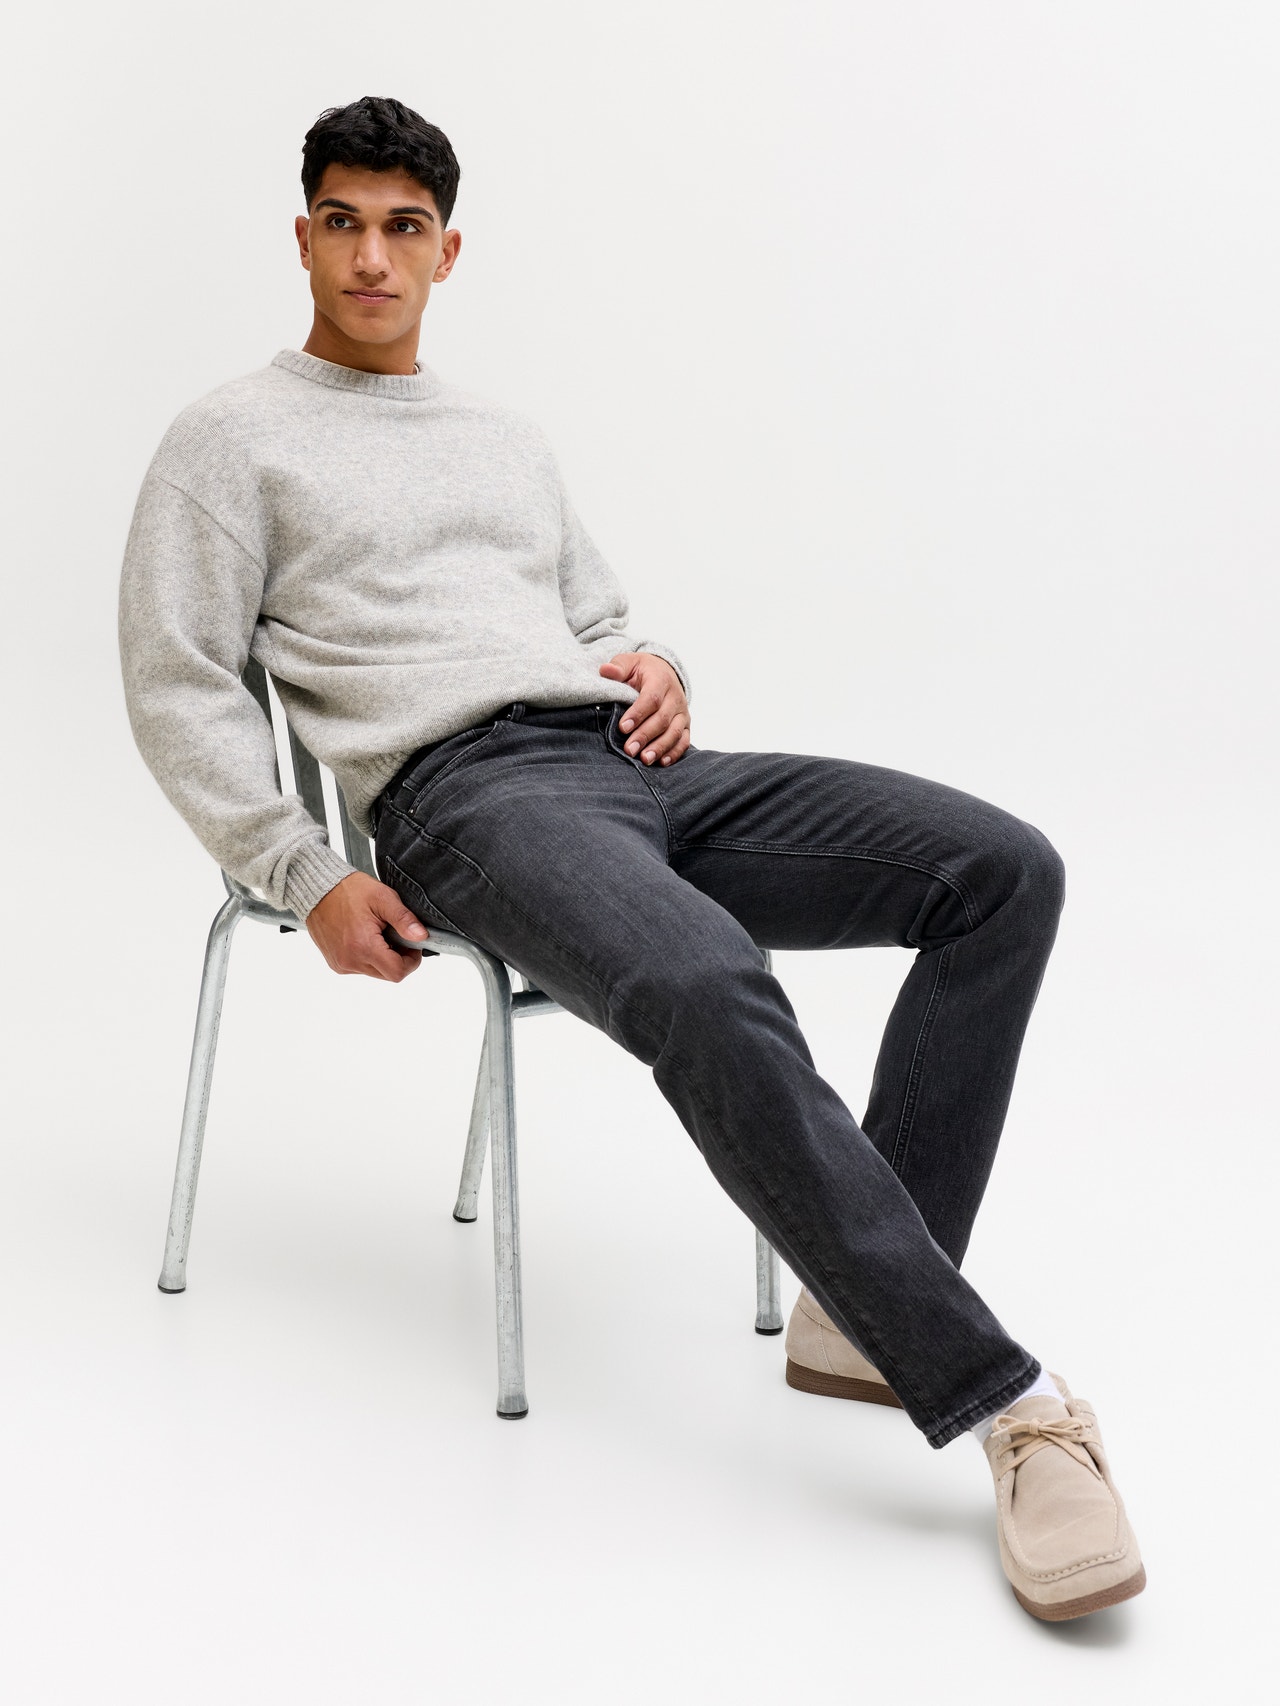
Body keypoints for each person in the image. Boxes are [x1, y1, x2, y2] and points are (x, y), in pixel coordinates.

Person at [119, 95, 1144, 1622]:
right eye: (344, 221)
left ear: (447, 251)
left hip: (631, 767)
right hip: (464, 800)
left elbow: (595, 621)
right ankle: (1010, 1404)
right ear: (304, 237)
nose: (372, 255)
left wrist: (652, 662)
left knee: (1003, 869)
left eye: (404, 227)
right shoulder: (229, 440)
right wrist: (300, 867)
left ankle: (866, 1307)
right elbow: (177, 683)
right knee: (708, 980)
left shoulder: (503, 439)